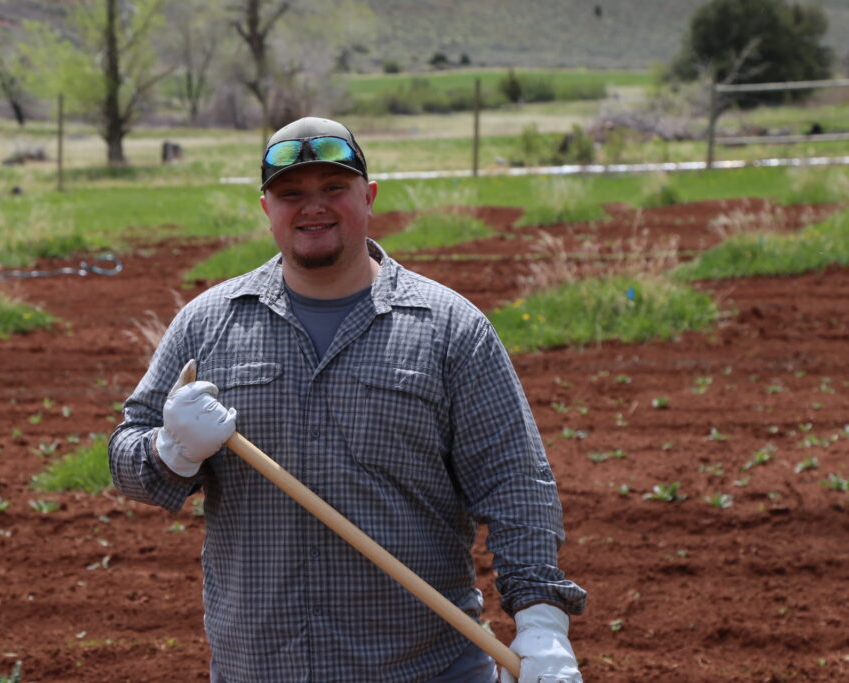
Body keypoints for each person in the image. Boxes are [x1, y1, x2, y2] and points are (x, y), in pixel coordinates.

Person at [109, 117, 586, 682]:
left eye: (334, 188)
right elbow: (125, 459)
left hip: (424, 670)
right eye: (292, 195)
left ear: (369, 196)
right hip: (261, 670)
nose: (313, 208)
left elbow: (515, 486)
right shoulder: (208, 325)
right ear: (267, 208)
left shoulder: (450, 330)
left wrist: (540, 623)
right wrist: (170, 449)